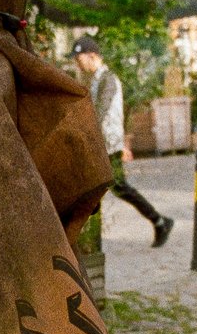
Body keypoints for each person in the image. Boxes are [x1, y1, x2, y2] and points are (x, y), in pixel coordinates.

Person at [72, 35, 174, 247]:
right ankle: (158, 221)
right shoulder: (97, 80)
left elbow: (100, 112)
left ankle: (159, 221)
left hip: (108, 145)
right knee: (100, 187)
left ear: (92, 56)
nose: (77, 64)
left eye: (79, 59)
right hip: (103, 144)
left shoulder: (108, 79)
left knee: (115, 187)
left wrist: (85, 134)